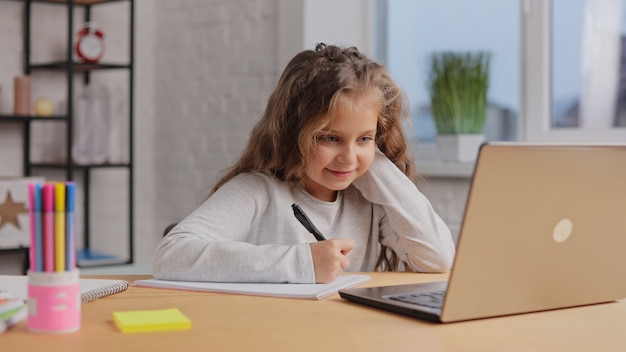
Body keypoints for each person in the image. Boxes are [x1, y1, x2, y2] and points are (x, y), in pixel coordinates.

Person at [152, 43, 455, 284]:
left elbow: (439, 258)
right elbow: (171, 255)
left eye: (364, 138)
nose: (348, 158)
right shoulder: (258, 191)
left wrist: (376, 165)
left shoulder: (370, 199)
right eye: (330, 138)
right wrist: (302, 263)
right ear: (293, 133)